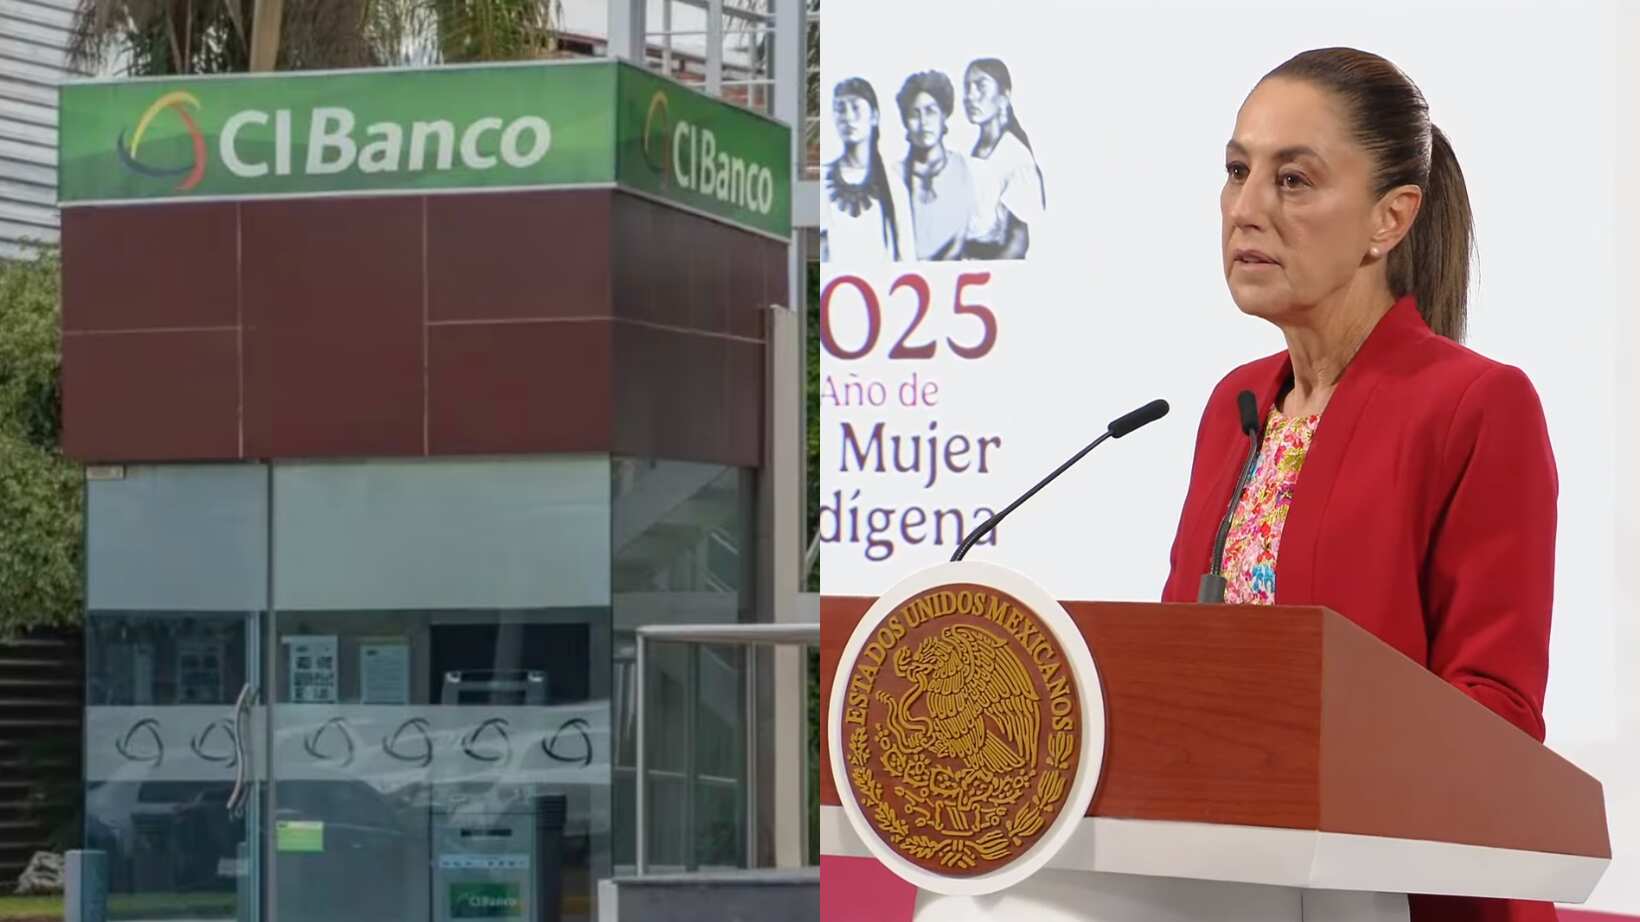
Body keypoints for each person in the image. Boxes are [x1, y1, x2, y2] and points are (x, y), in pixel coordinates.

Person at [1161, 47, 1557, 922]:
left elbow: (1495, 707)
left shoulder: (1475, 405)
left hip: (1403, 889)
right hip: (1230, 881)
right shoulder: (1234, 407)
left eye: (1293, 180)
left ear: (1390, 219)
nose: (1246, 208)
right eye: (1236, 171)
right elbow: (1178, 670)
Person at [961, 58, 1045, 259]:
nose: (971, 96)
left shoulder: (1015, 156)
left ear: (1004, 97)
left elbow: (1018, 242)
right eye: (967, 87)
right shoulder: (969, 151)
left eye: (981, 86)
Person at [821, 78, 906, 263]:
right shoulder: (822, 180)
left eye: (856, 108)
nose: (848, 117)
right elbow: (821, 249)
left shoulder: (894, 184)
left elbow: (905, 255)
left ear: (874, 116)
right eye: (840, 109)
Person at [894, 70, 974, 261]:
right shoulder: (894, 176)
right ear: (905, 122)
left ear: (943, 115)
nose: (924, 123)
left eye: (930, 111)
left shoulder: (965, 168)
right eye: (915, 114)